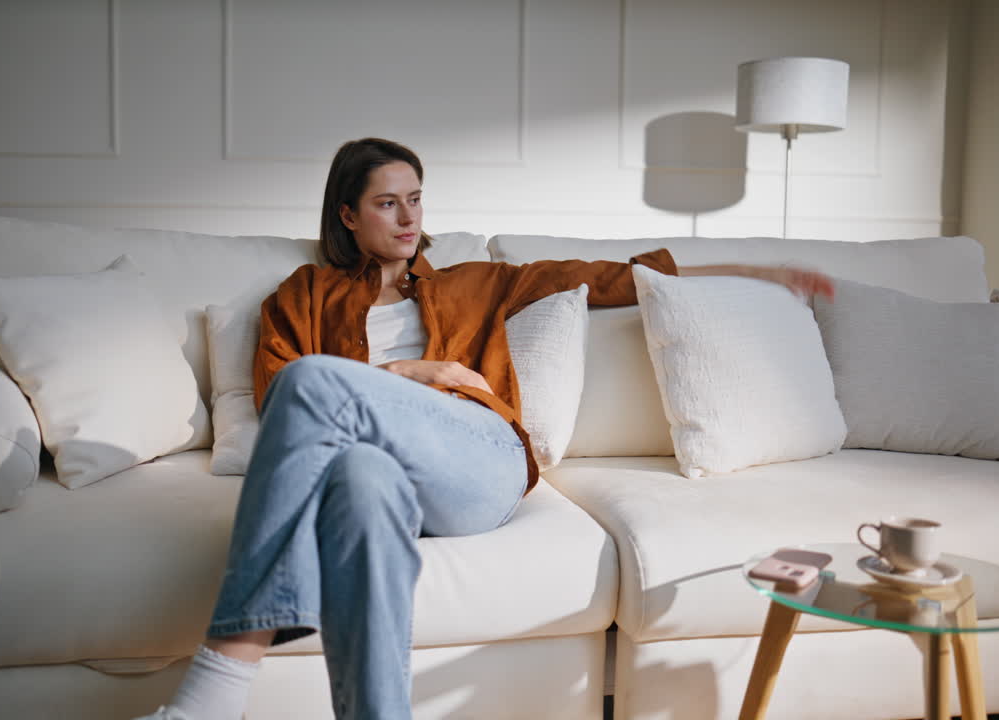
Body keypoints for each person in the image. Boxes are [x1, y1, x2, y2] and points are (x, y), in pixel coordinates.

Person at [137, 138, 834, 720]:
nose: (408, 218)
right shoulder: (299, 295)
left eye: (415, 199)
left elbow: (616, 277)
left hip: (474, 460)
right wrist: (414, 372)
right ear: (347, 215)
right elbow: (280, 395)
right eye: (387, 203)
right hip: (368, 461)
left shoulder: (474, 283)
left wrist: (753, 272)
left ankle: (217, 688)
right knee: (355, 476)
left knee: (315, 380)